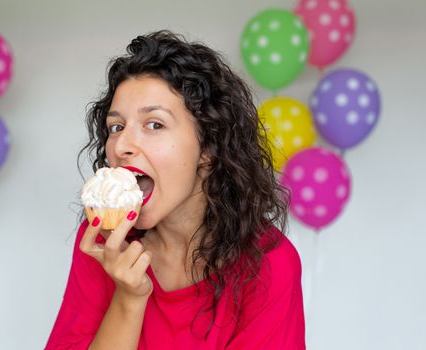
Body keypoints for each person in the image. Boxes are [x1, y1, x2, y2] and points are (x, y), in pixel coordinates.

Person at [45, 30, 305, 350]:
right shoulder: (104, 241)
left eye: (154, 124)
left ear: (208, 147)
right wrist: (129, 298)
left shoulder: (268, 264)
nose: (122, 145)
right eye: (116, 127)